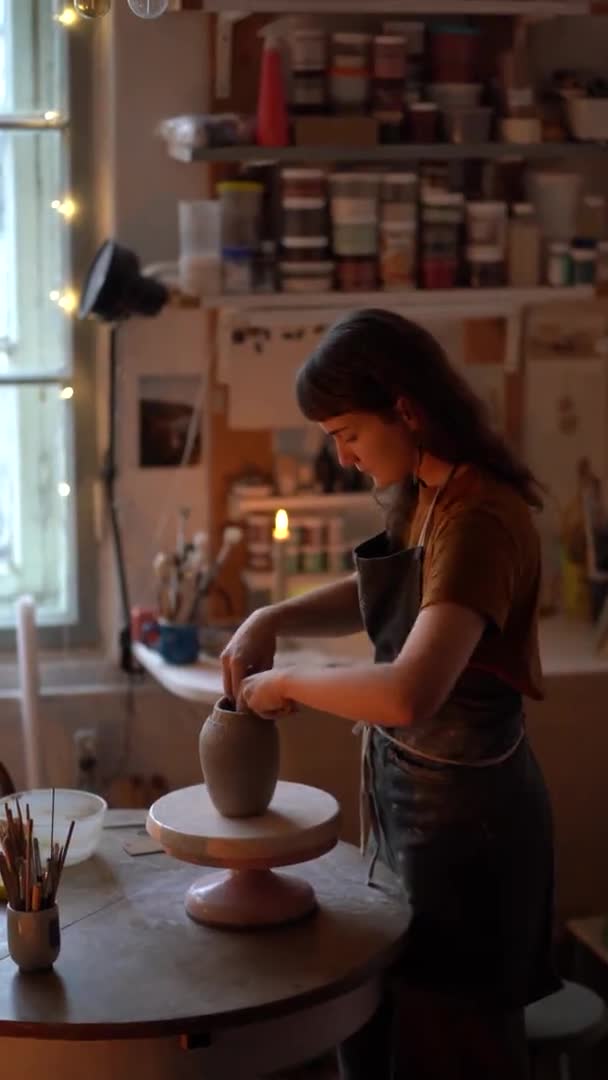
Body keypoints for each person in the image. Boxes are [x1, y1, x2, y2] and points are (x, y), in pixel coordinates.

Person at [221, 309, 561, 1080]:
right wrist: (274, 615)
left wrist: (288, 682)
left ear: (405, 410)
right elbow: (383, 594)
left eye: (347, 433)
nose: (341, 457)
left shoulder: (482, 517)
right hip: (414, 812)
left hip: (471, 836)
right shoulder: (427, 491)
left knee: (452, 1051)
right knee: (383, 1038)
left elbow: (411, 692)